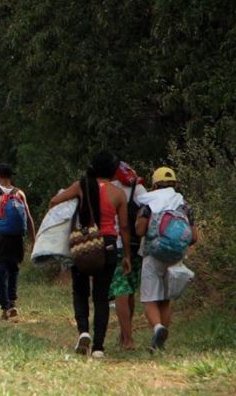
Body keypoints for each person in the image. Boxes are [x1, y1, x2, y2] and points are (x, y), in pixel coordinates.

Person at [48, 152, 131, 358]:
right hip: (109, 246)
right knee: (101, 297)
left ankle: (84, 331)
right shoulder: (118, 194)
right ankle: (99, 348)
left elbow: (53, 202)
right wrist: (127, 255)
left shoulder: (81, 186)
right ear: (113, 171)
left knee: (80, 292)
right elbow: (125, 228)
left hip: (84, 245)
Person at [135, 166, 197, 352]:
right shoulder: (184, 205)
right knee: (165, 299)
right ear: (175, 184)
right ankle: (161, 342)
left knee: (149, 299)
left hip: (153, 254)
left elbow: (140, 230)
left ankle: (158, 328)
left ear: (154, 185)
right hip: (176, 256)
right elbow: (194, 237)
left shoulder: (149, 204)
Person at [0, 164, 36, 320]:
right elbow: (29, 218)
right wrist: (33, 239)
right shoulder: (20, 193)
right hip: (17, 239)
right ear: (11, 176)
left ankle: (5, 307)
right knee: (13, 270)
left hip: (1, 237)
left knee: (0, 271)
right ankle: (12, 302)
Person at [109, 162, 147, 350]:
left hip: (116, 245)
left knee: (120, 290)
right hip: (135, 245)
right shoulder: (139, 188)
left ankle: (128, 338)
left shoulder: (111, 188)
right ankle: (125, 334)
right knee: (130, 290)